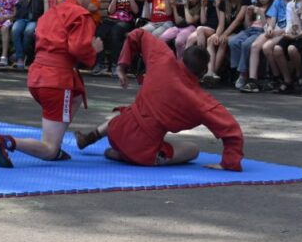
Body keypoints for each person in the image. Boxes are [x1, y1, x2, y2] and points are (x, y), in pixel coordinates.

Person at [74, 28, 244, 171]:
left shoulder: (162, 58)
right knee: (193, 150)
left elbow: (138, 34)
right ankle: (124, 156)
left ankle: (97, 139)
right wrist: (229, 162)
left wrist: (122, 66)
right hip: (142, 150)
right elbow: (231, 129)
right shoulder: (198, 99)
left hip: (117, 132)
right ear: (201, 73)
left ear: (182, 57)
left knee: (131, 112)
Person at [0, 0, 102, 167]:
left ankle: (54, 143)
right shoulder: (82, 15)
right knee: (49, 148)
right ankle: (8, 142)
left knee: (76, 96)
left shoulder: (51, 13)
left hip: (37, 76)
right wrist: (94, 50)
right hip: (56, 81)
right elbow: (77, 48)